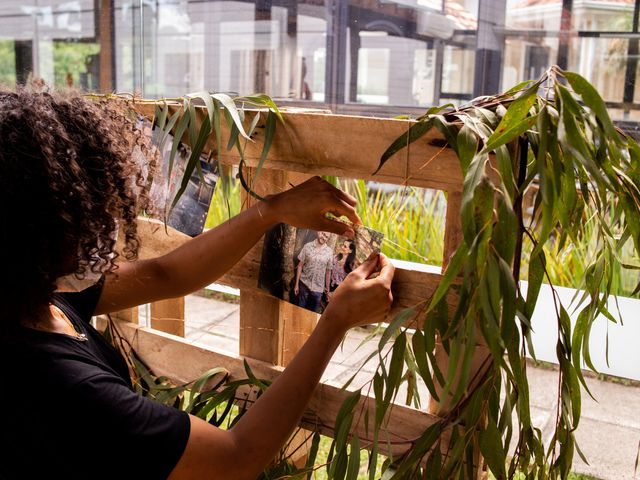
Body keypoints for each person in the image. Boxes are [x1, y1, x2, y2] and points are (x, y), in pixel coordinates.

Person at [0, 86, 395, 480]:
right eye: (91, 215)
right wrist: (335, 322)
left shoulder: (25, 295)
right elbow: (234, 458)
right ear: (39, 231)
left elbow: (165, 274)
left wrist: (270, 211)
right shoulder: (68, 388)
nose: (108, 227)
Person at [293, 230, 334, 312]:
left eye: (327, 237)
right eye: (323, 234)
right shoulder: (307, 246)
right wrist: (296, 284)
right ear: (319, 232)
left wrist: (327, 288)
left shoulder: (329, 252)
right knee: (299, 311)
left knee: (312, 313)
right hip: (304, 284)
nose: (324, 238)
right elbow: (300, 265)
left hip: (318, 289)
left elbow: (328, 271)